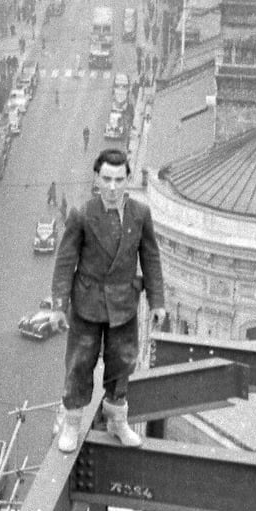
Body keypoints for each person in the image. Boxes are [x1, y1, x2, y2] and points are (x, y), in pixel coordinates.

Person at [50, 148, 165, 454]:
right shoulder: (83, 214)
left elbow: (150, 258)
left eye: (118, 179)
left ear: (128, 179)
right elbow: (65, 262)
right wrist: (59, 305)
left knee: (122, 364)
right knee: (79, 364)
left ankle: (117, 420)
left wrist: (157, 301)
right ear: (96, 179)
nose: (112, 187)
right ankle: (72, 422)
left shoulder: (140, 214)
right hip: (88, 303)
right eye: (106, 179)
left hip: (123, 303)